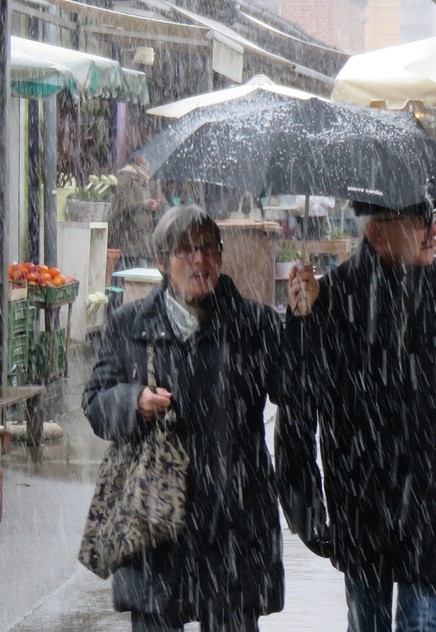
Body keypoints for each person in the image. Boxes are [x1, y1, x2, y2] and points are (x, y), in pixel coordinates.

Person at [280, 200, 436, 632]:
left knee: (422, 625)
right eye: (419, 222)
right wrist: (302, 323)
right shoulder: (334, 295)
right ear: (377, 234)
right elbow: (296, 401)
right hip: (363, 503)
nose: (432, 231)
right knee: (368, 625)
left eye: (431, 219)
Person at [83, 205, 285, 632]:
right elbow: (95, 403)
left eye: (209, 248)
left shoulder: (254, 325)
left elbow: (295, 390)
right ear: (161, 261)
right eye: (186, 250)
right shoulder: (129, 325)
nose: (200, 260)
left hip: (233, 519)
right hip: (158, 520)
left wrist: (303, 325)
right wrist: (134, 401)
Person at [112, 153, 161, 269]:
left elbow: (161, 200)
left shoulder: (149, 178)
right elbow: (122, 206)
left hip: (146, 239)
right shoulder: (125, 176)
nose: (147, 161)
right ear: (135, 158)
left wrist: (157, 203)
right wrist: (144, 204)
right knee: (131, 272)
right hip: (131, 237)